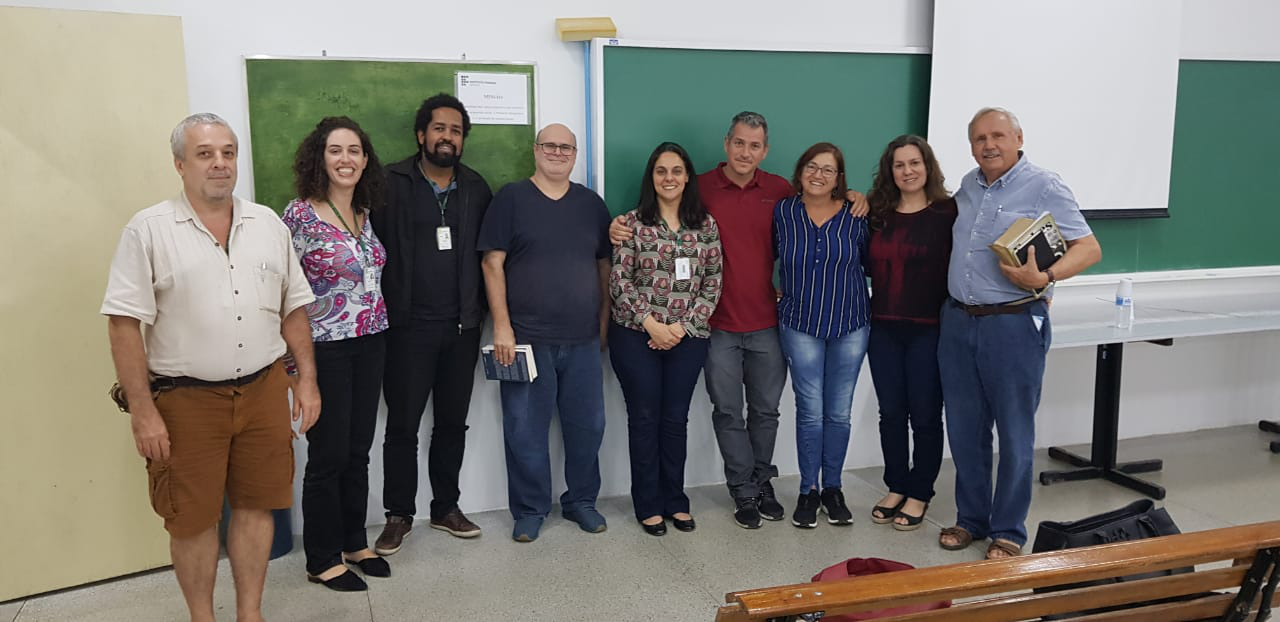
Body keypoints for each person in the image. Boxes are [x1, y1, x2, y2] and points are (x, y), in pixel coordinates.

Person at [102, 113, 319, 622]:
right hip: (185, 399)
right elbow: (123, 325)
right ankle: (203, 617)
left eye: (228, 152)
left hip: (265, 389)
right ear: (180, 164)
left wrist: (305, 381)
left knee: (257, 505)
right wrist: (142, 412)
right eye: (204, 154)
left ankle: (250, 614)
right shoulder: (149, 230)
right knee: (191, 520)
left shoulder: (269, 224)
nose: (219, 163)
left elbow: (293, 309)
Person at [609, 112, 866, 530]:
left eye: (755, 145)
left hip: (767, 320)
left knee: (766, 412)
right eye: (739, 143)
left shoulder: (782, 190)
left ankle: (763, 482)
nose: (746, 152)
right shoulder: (702, 188)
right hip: (715, 327)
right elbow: (650, 241)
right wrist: (616, 226)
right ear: (727, 143)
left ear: (765, 150)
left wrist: (855, 195)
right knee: (727, 412)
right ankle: (742, 490)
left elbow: (824, 206)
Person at [938, 107, 1101, 559]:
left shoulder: (1044, 184)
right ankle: (971, 519)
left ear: (1018, 138)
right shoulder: (969, 184)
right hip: (958, 320)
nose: (988, 145)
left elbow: (1088, 247)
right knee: (966, 430)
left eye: (997, 136)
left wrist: (1046, 280)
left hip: (1012, 323)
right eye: (978, 138)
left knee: (1013, 431)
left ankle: (1008, 530)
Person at [370, 94, 493, 555]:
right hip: (405, 328)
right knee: (402, 425)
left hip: (461, 328)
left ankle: (445, 508)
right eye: (439, 128)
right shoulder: (387, 182)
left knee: (452, 424)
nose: (448, 137)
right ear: (421, 135)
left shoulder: (477, 188)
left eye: (456, 130)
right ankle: (398, 515)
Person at [479, 123, 612, 543]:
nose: (558, 152)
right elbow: (491, 264)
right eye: (550, 145)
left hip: (584, 340)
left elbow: (604, 268)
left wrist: (604, 322)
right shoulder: (511, 199)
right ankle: (531, 509)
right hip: (524, 340)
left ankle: (581, 502)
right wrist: (501, 325)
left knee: (588, 427)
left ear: (575, 154)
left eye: (566, 147)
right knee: (524, 429)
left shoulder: (592, 204)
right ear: (536, 150)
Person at [282, 116, 390, 591]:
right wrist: (293, 369)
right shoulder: (299, 216)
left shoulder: (365, 212)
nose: (346, 159)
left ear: (366, 160)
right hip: (324, 349)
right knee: (328, 455)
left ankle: (354, 541)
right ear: (319, 158)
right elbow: (282, 295)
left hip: (371, 341)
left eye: (354, 151)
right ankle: (322, 558)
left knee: (358, 451)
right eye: (335, 150)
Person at [609, 142, 723, 536]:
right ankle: (648, 505)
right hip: (635, 336)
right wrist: (652, 324)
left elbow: (712, 282)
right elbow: (619, 281)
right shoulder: (630, 223)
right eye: (661, 171)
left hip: (688, 338)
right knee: (644, 419)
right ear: (651, 177)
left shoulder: (705, 225)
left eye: (676, 170)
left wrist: (681, 328)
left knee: (675, 420)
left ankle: (676, 500)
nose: (669, 178)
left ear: (687, 176)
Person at [774, 142, 871, 529]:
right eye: (812, 167)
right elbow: (765, 257)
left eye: (828, 170)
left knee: (839, 412)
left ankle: (833, 488)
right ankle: (807, 490)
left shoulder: (856, 215)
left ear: (839, 178)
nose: (818, 175)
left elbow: (870, 263)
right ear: (800, 172)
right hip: (800, 323)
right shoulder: (783, 212)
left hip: (850, 323)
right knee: (810, 411)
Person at [864, 135, 957, 531]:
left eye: (914, 163)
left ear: (928, 166)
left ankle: (920, 492)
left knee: (924, 416)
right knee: (890, 414)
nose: (907, 171)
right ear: (890, 171)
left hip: (929, 331)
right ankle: (896, 485)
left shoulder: (948, 213)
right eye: (899, 165)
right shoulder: (877, 214)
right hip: (883, 328)